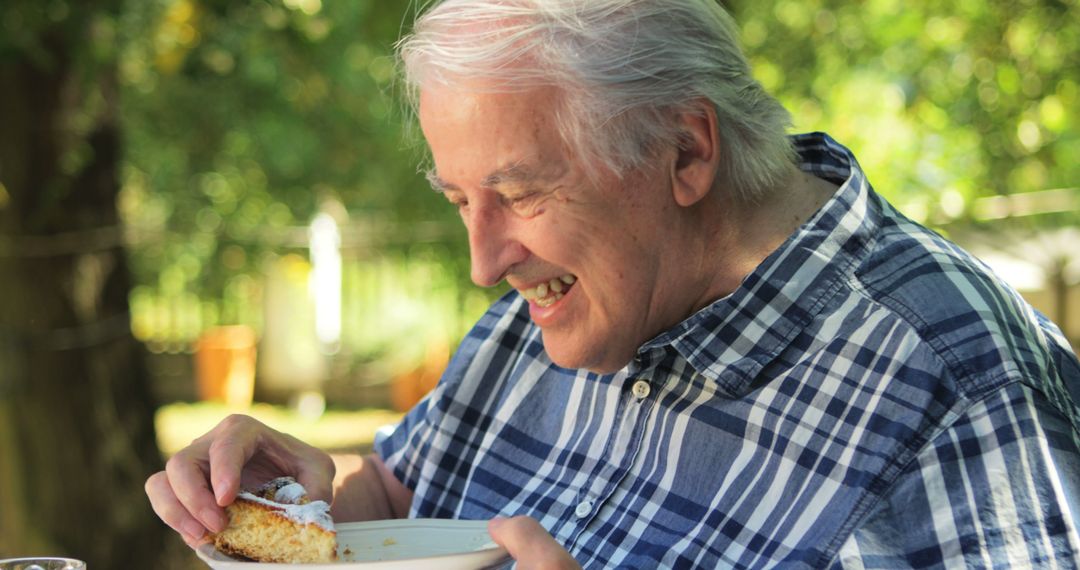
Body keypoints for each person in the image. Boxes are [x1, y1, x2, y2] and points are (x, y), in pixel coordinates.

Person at [146, 0, 1080, 567]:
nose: (484, 262)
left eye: (519, 194)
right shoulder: (560, 297)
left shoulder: (962, 383)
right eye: (460, 199)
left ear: (684, 150)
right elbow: (401, 499)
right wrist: (291, 502)